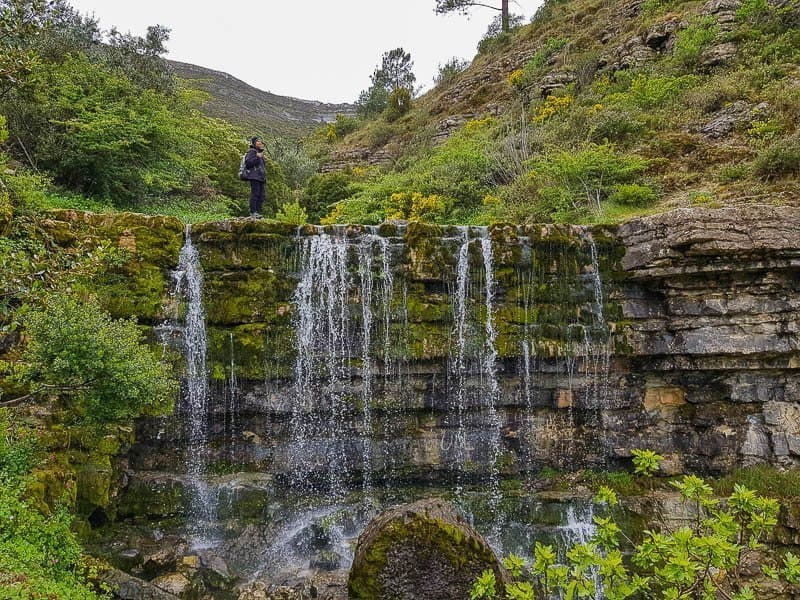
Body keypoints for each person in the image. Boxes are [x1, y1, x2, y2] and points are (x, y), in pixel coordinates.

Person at [243, 136, 267, 218]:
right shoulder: (252, 152)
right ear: (254, 143)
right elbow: (248, 163)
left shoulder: (259, 152)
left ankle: (258, 213)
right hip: (254, 177)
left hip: (261, 178)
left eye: (260, 141)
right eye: (258, 141)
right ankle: (253, 212)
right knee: (255, 194)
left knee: (262, 195)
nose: (260, 143)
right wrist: (257, 157)